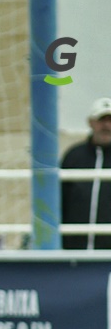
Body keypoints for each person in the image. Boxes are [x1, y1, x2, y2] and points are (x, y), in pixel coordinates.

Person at [61, 97, 111, 249]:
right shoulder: (74, 156)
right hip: (74, 253)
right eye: (102, 120)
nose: (107, 126)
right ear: (91, 122)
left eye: (110, 120)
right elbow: (60, 200)